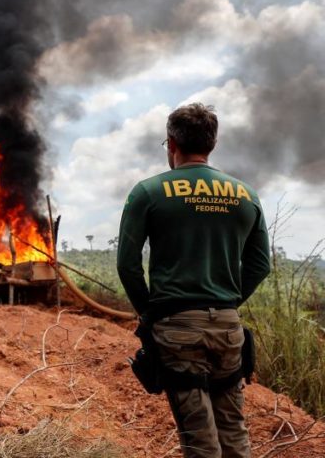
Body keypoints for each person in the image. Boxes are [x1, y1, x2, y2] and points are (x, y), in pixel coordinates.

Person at [116, 103, 271, 458]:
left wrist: (151, 313)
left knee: (199, 440)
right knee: (233, 431)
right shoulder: (246, 195)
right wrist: (225, 301)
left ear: (171, 143)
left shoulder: (148, 192)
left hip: (177, 328)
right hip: (229, 328)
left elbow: (127, 265)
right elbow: (260, 264)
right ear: (212, 143)